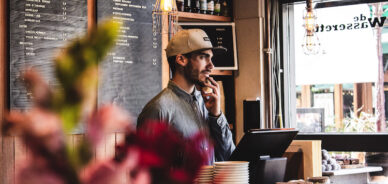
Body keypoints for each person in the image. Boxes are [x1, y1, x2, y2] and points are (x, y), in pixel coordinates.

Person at [137, 29, 235, 163]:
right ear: (181, 59)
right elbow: (147, 170)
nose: (211, 66)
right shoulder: (158, 109)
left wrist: (216, 115)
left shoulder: (208, 104)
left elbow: (229, 156)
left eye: (211, 58)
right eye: (203, 57)